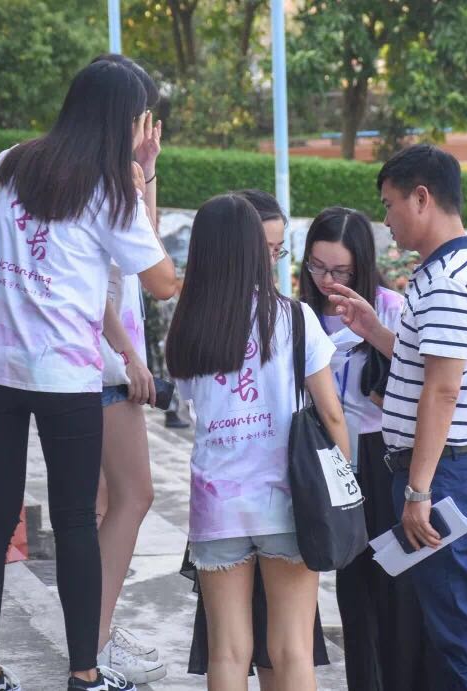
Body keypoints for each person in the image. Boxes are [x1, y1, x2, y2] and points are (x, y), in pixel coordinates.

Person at [0, 60, 176, 691]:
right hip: (65, 376)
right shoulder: (109, 189)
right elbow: (161, 282)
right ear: (123, 120)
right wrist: (144, 178)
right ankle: (85, 674)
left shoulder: (8, 163)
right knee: (76, 520)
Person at [330, 144, 467, 688]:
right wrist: (375, 330)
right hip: (446, 470)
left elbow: (443, 390)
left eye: (390, 204)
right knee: (451, 629)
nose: (386, 220)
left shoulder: (447, 280)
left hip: (445, 474)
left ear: (422, 198)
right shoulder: (448, 269)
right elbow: (428, 365)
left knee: (463, 634)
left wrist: (418, 490)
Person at [166, 193, 348, 691]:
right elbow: (331, 412)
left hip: (216, 503)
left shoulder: (187, 326)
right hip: (286, 500)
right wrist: (343, 480)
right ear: (252, 246)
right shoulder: (295, 318)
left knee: (227, 651)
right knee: (292, 649)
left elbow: (190, 400)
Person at [301, 206, 437, 690]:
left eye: (340, 271)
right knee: (352, 591)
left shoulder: (389, 307)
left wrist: (376, 334)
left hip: (383, 458)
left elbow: (426, 377)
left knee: (397, 588)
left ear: (361, 264)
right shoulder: (301, 314)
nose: (327, 280)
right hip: (326, 460)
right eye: (317, 267)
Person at [86, 52, 169, 686]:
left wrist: (148, 172)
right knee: (132, 495)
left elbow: (146, 248)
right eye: (143, 114)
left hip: (98, 361)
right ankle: (94, 641)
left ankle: (93, 635)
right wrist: (130, 356)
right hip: (106, 363)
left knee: (104, 502)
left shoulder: (103, 176)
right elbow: (143, 281)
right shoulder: (103, 183)